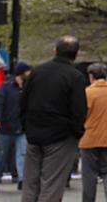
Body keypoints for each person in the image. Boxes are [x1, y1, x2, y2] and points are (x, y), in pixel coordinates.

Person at [20, 37, 86, 202]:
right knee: (52, 186)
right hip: (60, 136)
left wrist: (26, 126)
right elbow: (79, 109)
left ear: (55, 50)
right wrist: (77, 132)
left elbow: (23, 101)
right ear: (76, 54)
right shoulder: (75, 76)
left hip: (34, 134)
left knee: (30, 185)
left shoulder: (37, 72)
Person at [79, 63, 107, 202]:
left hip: (89, 139)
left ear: (91, 76)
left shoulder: (87, 93)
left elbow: (81, 115)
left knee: (89, 176)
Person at [0, 61, 27, 191]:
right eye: (27, 71)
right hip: (6, 128)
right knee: (2, 155)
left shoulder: (28, 87)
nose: (29, 73)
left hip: (22, 127)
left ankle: (22, 179)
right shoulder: (6, 87)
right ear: (21, 73)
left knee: (22, 153)